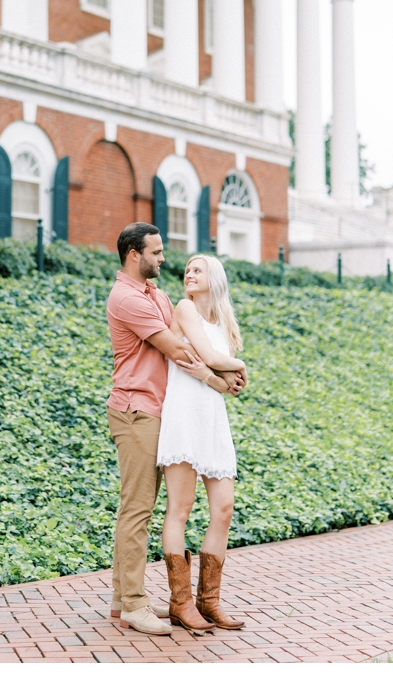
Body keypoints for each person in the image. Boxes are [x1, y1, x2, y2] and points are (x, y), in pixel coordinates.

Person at [105, 223, 242, 636]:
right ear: (134, 255)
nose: (164, 259)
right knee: (138, 508)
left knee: (143, 507)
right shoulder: (127, 297)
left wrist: (217, 375)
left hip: (161, 410)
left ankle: (120, 597)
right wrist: (227, 376)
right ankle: (133, 604)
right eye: (156, 252)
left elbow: (193, 347)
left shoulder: (156, 295)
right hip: (136, 409)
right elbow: (180, 349)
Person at [156, 254, 249, 634]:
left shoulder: (224, 322)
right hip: (183, 413)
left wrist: (218, 376)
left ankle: (209, 601)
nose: (188, 275)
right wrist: (238, 366)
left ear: (215, 277)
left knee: (223, 509)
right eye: (187, 271)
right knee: (180, 508)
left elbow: (229, 386)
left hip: (213, 419)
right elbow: (213, 360)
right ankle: (180, 602)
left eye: (197, 270)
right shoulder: (184, 308)